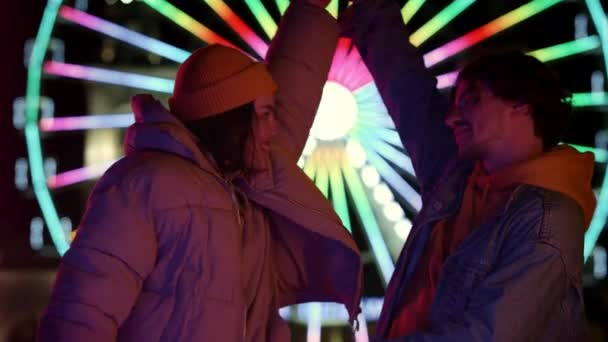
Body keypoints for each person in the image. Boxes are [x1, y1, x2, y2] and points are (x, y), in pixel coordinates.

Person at [38, 1, 362, 341]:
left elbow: (293, 98)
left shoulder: (247, 195)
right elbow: (80, 315)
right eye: (265, 115)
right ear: (233, 121)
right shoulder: (145, 185)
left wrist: (309, 11)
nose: (273, 129)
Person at [341, 0, 596, 340]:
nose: (452, 117)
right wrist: (368, 14)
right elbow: (409, 92)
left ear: (521, 103)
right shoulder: (459, 179)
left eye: (471, 99)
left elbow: (486, 334)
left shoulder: (550, 217)